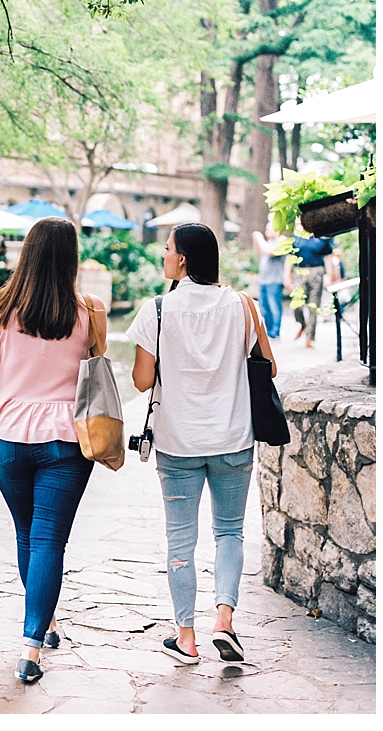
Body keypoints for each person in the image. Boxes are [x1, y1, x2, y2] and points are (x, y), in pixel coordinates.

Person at [0, 217, 108, 684]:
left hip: (6, 439)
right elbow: (97, 374)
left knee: (27, 534)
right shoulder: (91, 311)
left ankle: (43, 624)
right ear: (71, 257)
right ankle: (31, 647)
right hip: (67, 439)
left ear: (28, 252)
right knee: (48, 540)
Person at [127, 223, 276, 666]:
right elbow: (268, 367)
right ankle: (224, 621)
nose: (163, 255)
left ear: (184, 259)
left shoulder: (157, 310)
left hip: (178, 443)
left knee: (180, 541)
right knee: (229, 531)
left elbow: (140, 381)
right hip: (232, 438)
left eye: (168, 249)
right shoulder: (243, 305)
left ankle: (187, 638)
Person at [289, 234, 337, 348]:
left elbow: (327, 257)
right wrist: (287, 275)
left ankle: (310, 338)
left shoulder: (321, 238)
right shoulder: (297, 237)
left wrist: (330, 276)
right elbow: (290, 257)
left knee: (314, 305)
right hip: (300, 270)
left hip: (317, 271)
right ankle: (303, 324)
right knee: (297, 304)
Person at [252, 227, 288, 339]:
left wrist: (260, 238)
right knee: (264, 307)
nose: (266, 232)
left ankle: (275, 332)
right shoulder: (269, 242)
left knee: (274, 306)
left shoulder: (283, 241)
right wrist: (256, 241)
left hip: (275, 280)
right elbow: (260, 254)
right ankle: (268, 331)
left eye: (268, 229)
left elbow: (270, 252)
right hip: (264, 280)